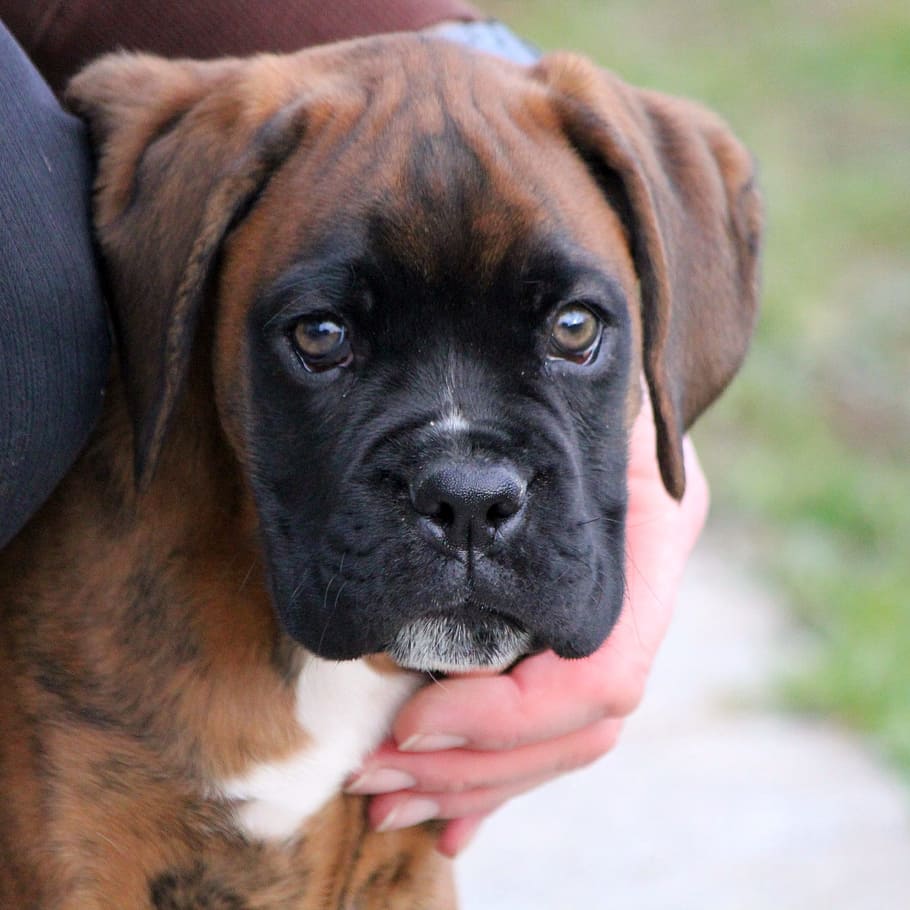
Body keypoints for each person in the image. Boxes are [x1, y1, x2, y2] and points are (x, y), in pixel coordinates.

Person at [0, 1, 709, 858]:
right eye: (324, 336)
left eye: (571, 331)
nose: (469, 490)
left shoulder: (580, 153)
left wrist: (460, 53)